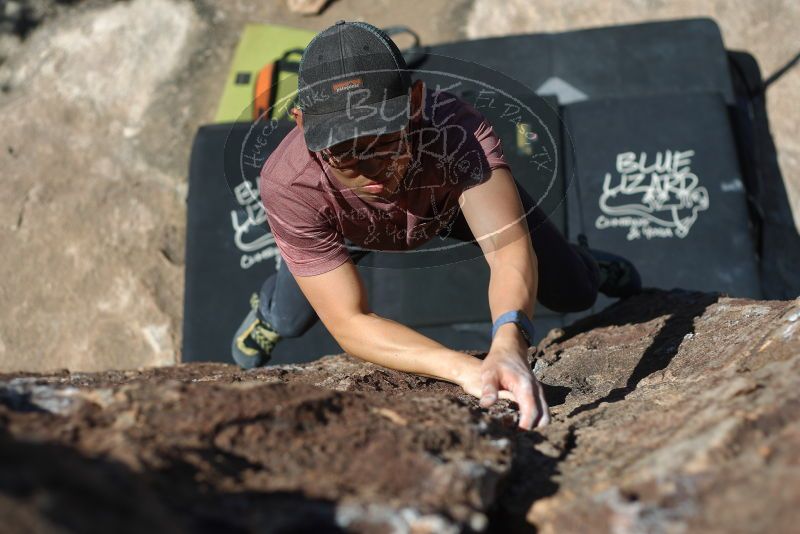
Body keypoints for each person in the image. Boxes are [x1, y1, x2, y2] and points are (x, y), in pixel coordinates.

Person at [231, 20, 641, 430]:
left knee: (576, 289)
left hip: (446, 206)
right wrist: (466, 369)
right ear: (302, 124)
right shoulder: (289, 183)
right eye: (344, 151)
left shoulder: (456, 130)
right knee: (288, 320)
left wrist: (508, 341)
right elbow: (349, 321)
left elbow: (506, 250)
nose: (372, 170)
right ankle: (266, 311)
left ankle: (585, 262)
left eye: (386, 139)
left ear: (415, 102)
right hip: (346, 226)